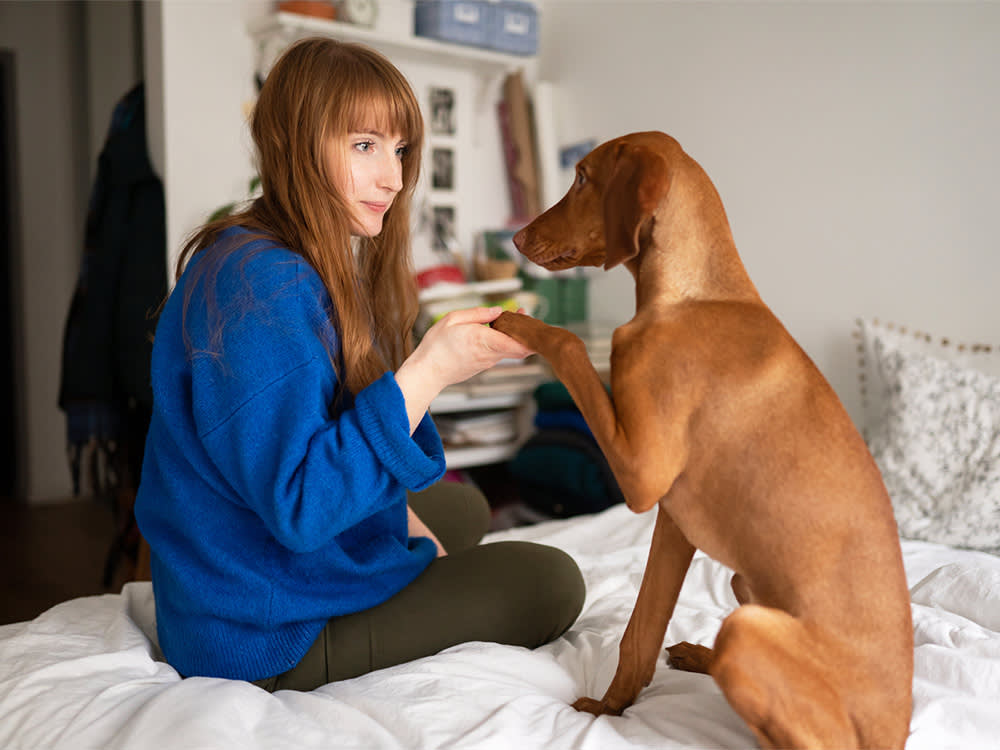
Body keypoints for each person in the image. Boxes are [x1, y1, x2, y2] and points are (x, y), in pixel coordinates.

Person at [134, 37, 585, 692]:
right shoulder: (264, 286)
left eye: (399, 149)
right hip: (258, 632)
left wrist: (411, 529)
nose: (394, 179)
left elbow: (322, 442)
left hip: (243, 570)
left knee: (463, 511)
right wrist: (431, 370)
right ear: (297, 142)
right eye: (365, 145)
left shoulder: (278, 255)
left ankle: (395, 561)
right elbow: (301, 507)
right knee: (551, 582)